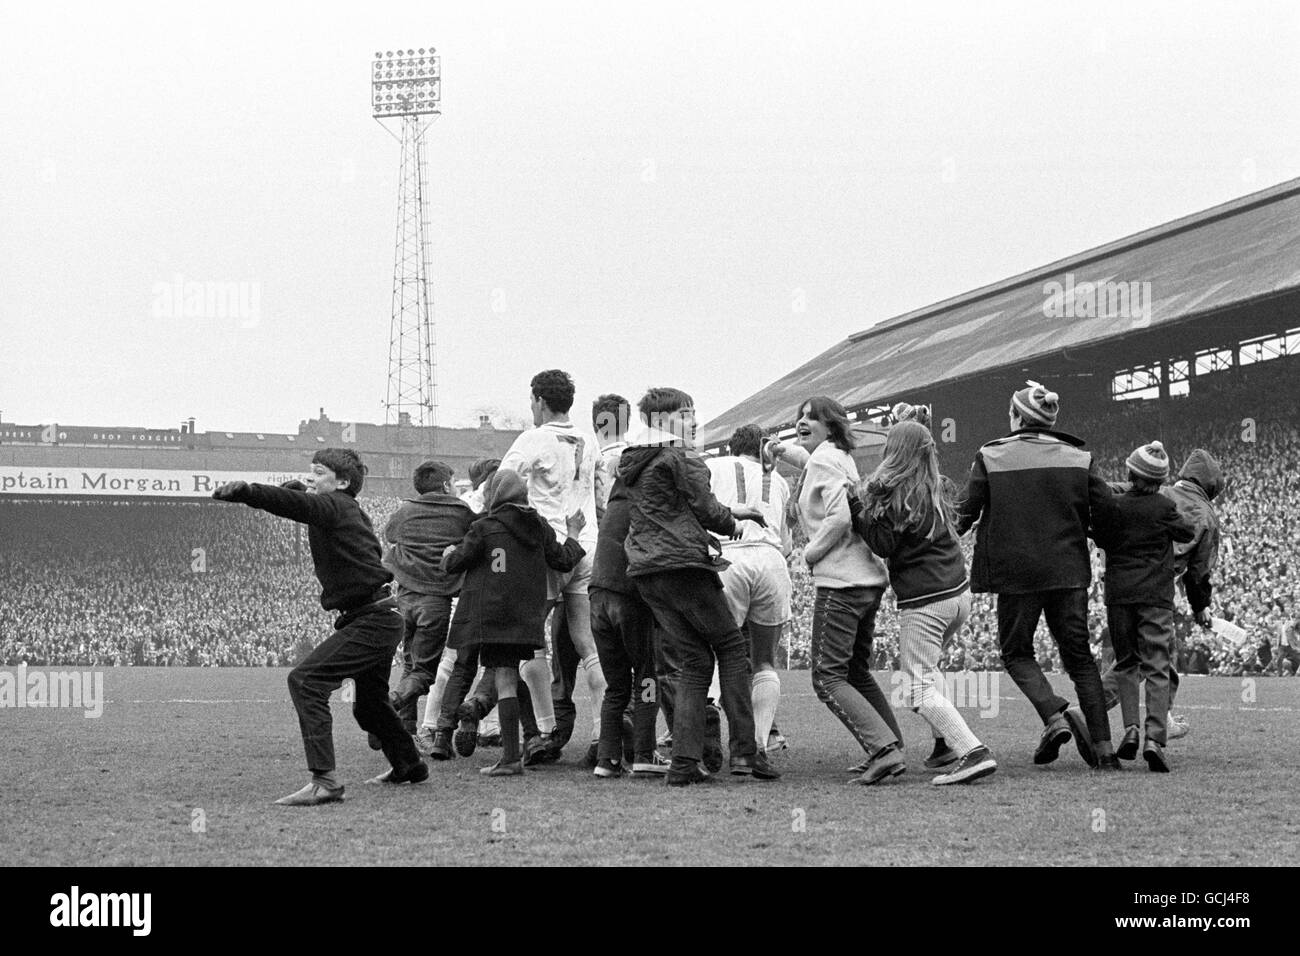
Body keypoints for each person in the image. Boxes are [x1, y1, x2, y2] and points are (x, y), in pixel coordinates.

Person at [211, 449, 426, 806]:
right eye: (310, 472)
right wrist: (294, 488)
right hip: (377, 616)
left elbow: (297, 505)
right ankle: (409, 765)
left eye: (319, 472)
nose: (312, 478)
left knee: (306, 681)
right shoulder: (339, 510)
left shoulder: (337, 506)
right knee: (370, 705)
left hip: (373, 619)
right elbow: (301, 501)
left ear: (342, 483)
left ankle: (324, 782)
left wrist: (249, 491)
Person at [954, 381, 1119, 770]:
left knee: (1016, 652)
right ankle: (1106, 750)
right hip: (1069, 571)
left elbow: (963, 513)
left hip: (1016, 575)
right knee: (1081, 660)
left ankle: (1054, 716)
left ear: (1017, 417)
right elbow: (1107, 516)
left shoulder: (991, 456)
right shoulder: (1080, 458)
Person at [619, 387, 779, 786]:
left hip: (647, 570)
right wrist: (736, 523)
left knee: (695, 661)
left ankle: (683, 763)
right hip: (683, 566)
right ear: (661, 421)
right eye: (686, 414)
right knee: (731, 647)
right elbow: (705, 507)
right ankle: (745, 752)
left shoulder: (633, 460)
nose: (694, 421)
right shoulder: (680, 455)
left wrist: (727, 512)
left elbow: (673, 509)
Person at [768, 396, 906, 785]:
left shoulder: (825, 461)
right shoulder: (836, 456)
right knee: (856, 672)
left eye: (813, 417)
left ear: (831, 427)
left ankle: (882, 749)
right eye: (800, 415)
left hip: (841, 581)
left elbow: (840, 515)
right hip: (866, 579)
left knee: (827, 678)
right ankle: (891, 743)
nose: (803, 420)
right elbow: (809, 460)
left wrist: (810, 553)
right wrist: (781, 450)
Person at [851, 420, 997, 785]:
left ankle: (972, 751)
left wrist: (856, 508)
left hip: (926, 600)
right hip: (957, 595)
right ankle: (943, 745)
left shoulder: (897, 491)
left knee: (915, 687)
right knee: (927, 675)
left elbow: (883, 544)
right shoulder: (937, 486)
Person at [441, 470, 586, 775]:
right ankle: (524, 739)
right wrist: (573, 532)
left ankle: (509, 759)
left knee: (505, 679)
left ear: (495, 494)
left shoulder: (485, 527)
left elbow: (455, 564)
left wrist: (447, 554)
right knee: (509, 675)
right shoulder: (539, 527)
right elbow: (562, 560)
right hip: (526, 616)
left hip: (492, 616)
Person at [499, 370, 604, 762]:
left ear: (540, 400)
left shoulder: (535, 438)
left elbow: (502, 482)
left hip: (547, 546)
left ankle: (544, 732)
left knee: (528, 638)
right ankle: (602, 734)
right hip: (586, 545)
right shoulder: (588, 442)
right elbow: (600, 494)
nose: (531, 407)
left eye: (531, 401)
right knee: (587, 641)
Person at [1100, 447, 1224, 739]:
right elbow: (1199, 572)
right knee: (1152, 659)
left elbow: (1113, 491)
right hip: (1157, 590)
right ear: (1210, 487)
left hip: (1121, 585)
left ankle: (1159, 718)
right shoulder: (1206, 515)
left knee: (1151, 657)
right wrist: (1200, 607)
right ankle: (1087, 711)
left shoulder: (1158, 492)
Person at [1091, 441, 1195, 772]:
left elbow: (1100, 535)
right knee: (1157, 666)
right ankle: (1155, 739)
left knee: (1126, 663)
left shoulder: (1116, 506)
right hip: (1156, 597)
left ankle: (1131, 730)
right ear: (1161, 478)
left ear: (1131, 472)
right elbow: (1187, 530)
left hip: (1120, 595)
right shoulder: (1165, 507)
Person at [589, 396, 668, 777]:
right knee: (647, 676)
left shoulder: (614, 501)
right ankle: (645, 752)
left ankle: (607, 760)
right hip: (628, 597)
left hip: (597, 595)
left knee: (615, 686)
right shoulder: (646, 501)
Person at [705, 424, 793, 755]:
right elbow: (785, 542)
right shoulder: (779, 481)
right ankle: (759, 742)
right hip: (771, 560)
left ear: (731, 448)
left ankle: (706, 721)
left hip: (728, 557)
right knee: (764, 660)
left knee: (716, 651)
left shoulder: (713, 467)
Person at [382, 460, 475, 741]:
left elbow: (390, 535)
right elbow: (475, 540)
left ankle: (403, 729)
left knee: (409, 664)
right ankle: (387, 709)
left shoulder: (405, 510)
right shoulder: (461, 514)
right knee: (424, 673)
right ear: (446, 485)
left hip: (405, 597)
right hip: (435, 599)